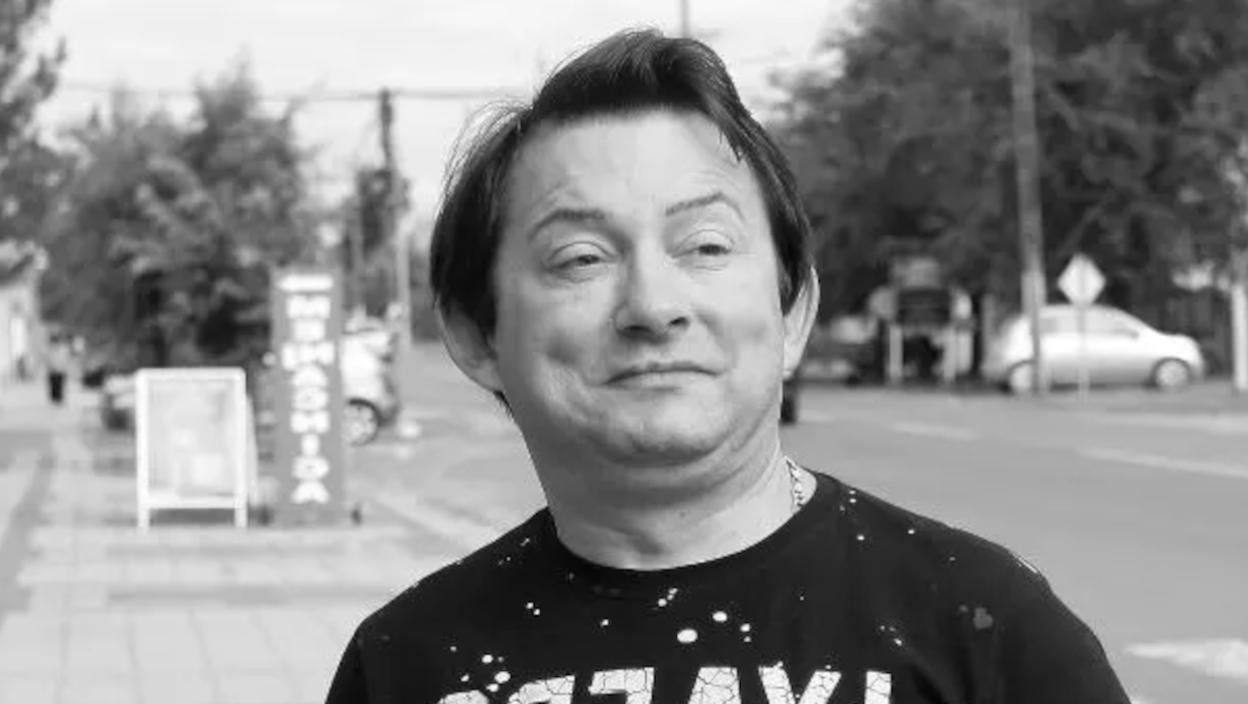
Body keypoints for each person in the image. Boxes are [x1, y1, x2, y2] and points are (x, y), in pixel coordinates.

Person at [326, 30, 1129, 704]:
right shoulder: (407, 664)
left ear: (793, 311)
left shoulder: (983, 629)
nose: (653, 305)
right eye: (581, 257)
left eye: (705, 246)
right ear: (475, 335)